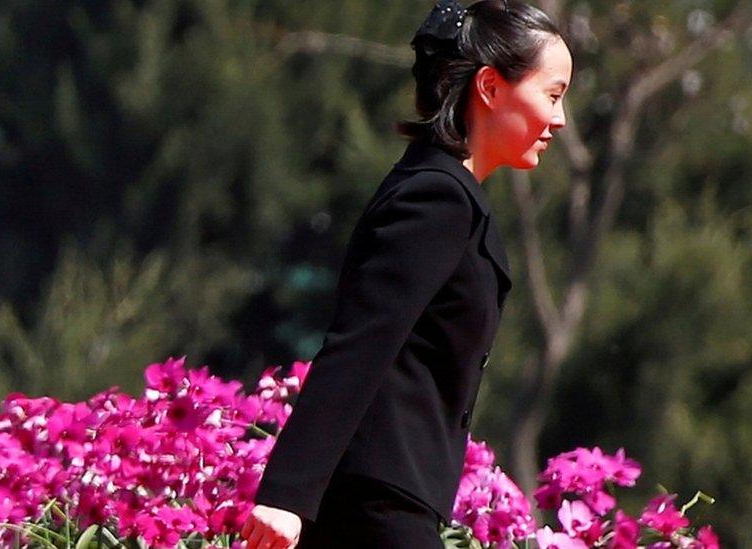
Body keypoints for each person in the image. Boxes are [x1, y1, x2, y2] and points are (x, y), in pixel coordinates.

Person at [241, 1, 572, 547]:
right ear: (489, 87)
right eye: (553, 95)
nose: (559, 119)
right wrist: (285, 496)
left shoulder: (448, 195)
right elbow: (360, 343)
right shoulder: (436, 197)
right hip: (375, 509)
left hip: (394, 503)